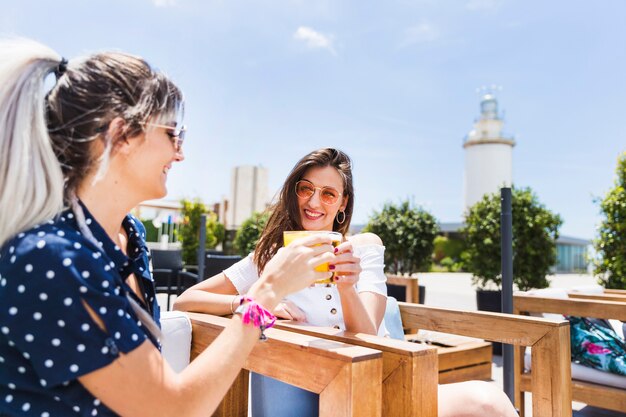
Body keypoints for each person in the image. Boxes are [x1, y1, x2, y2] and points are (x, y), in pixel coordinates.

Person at [0, 38, 337, 417]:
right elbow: (170, 408)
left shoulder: (131, 237)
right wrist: (267, 293)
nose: (180, 153)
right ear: (121, 135)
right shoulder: (50, 259)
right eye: (172, 134)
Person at [175, 147, 518, 417]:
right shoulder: (269, 258)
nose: (313, 201)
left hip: (386, 379)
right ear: (293, 193)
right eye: (305, 188)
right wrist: (256, 303)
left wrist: (346, 287)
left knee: (490, 400)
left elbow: (369, 337)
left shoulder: (364, 250)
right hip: (330, 388)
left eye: (328, 194)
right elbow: (186, 301)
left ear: (342, 204)